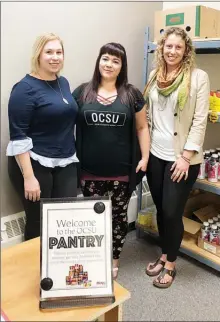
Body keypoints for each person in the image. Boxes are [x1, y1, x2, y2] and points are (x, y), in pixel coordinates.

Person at [73, 42, 150, 279]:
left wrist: (145, 157)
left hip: (121, 172)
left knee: (117, 219)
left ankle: (114, 260)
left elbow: (142, 127)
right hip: (89, 171)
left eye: (116, 61)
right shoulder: (82, 92)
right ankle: (95, 257)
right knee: (92, 219)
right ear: (99, 61)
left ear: (122, 66)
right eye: (105, 58)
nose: (109, 64)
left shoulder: (132, 95)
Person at [144, 27, 210, 288]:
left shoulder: (198, 77)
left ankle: (171, 264)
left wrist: (185, 156)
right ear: (161, 48)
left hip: (180, 157)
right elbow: (148, 115)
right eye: (167, 46)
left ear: (186, 51)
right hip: (155, 154)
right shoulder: (153, 75)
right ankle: (163, 253)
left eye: (178, 47)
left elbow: (200, 120)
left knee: (172, 212)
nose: (172, 51)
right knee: (161, 209)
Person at [6, 33, 79, 241]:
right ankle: (34, 271)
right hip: (34, 163)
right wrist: (29, 178)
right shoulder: (24, 89)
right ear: (38, 55)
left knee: (64, 219)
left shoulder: (63, 82)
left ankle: (56, 270)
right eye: (49, 52)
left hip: (65, 160)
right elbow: (18, 136)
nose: (55, 57)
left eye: (59, 52)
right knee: (38, 221)